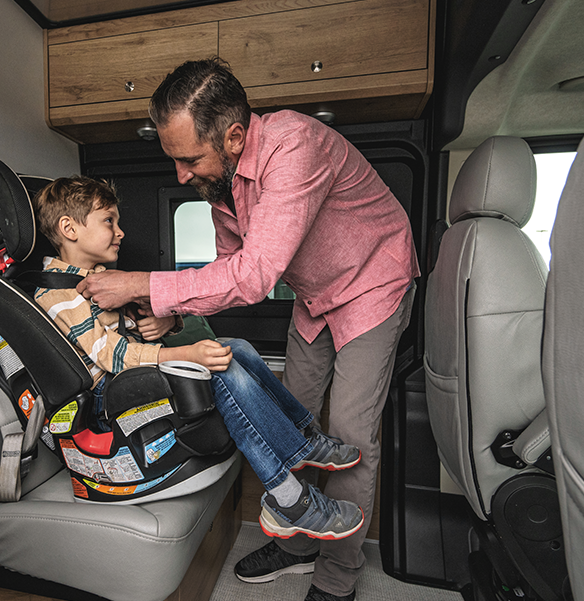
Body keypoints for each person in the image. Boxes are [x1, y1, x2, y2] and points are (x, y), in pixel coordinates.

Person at [76, 58, 419, 601]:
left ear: (234, 137)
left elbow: (255, 276)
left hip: (373, 281)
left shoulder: (296, 146)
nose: (181, 174)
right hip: (317, 295)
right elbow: (228, 269)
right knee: (290, 414)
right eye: (174, 160)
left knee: (347, 432)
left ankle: (336, 581)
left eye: (190, 159)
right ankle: (297, 544)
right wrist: (173, 315)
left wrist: (140, 284)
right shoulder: (223, 181)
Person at [33, 174, 365, 542]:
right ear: (69, 229)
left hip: (132, 380)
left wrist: (165, 323)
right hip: (111, 400)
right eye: (109, 221)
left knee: (237, 347)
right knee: (216, 371)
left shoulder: (101, 279)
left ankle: (302, 434)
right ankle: (288, 499)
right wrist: (187, 354)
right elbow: (113, 356)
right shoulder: (59, 295)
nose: (120, 231)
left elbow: (137, 333)